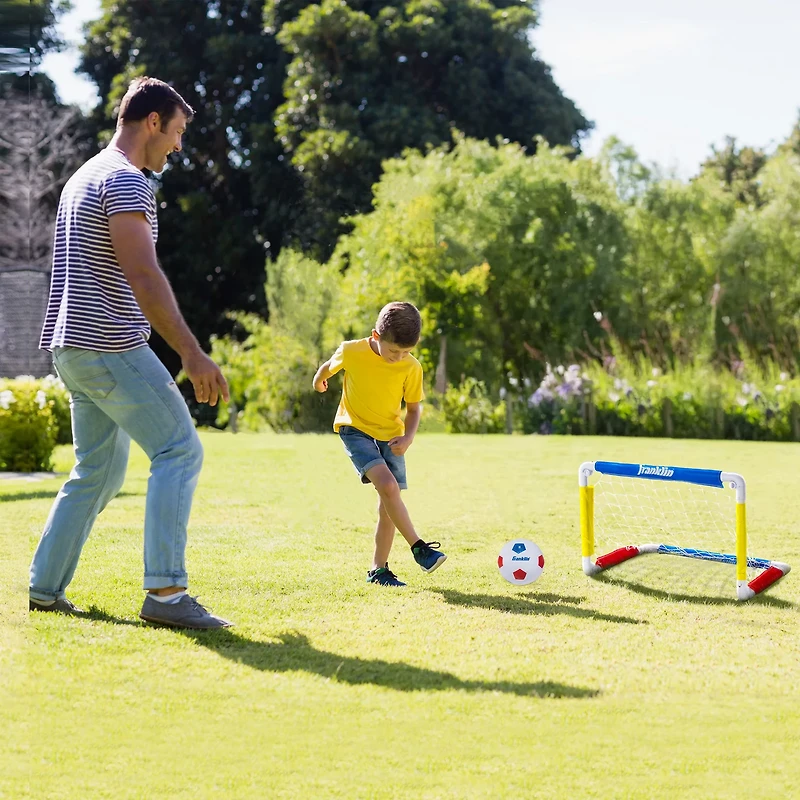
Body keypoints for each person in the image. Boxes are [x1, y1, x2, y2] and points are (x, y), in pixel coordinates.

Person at [29, 77, 233, 629]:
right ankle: (166, 594)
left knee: (97, 470)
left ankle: (44, 589)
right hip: (108, 345)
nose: (179, 145)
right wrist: (191, 353)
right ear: (152, 122)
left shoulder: (84, 176)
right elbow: (142, 273)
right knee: (179, 450)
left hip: (70, 347)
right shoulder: (125, 179)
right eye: (178, 132)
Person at [313, 301, 447, 587]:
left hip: (391, 436)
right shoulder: (352, 351)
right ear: (376, 336)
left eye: (405, 352)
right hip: (355, 429)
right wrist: (319, 380)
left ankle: (379, 570)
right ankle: (419, 548)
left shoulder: (411, 367)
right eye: (393, 350)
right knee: (388, 487)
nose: (398, 357)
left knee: (388, 505)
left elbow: (413, 409)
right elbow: (329, 366)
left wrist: (409, 438)